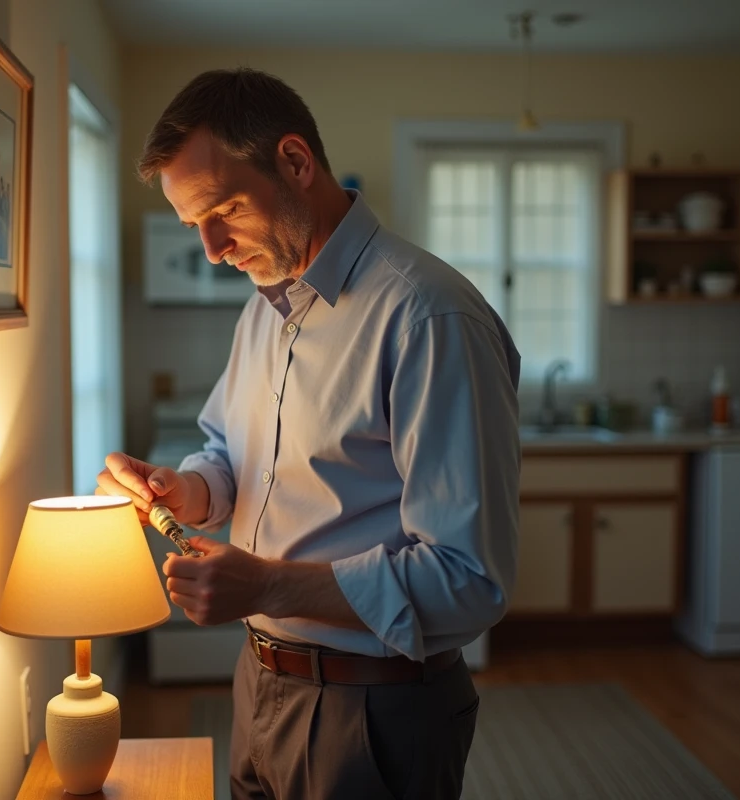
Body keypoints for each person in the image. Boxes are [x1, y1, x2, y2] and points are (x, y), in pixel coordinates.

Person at [97, 68, 520, 800]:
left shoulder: (427, 317)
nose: (211, 249)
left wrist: (264, 583)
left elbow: (468, 580)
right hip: (259, 681)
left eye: (224, 209)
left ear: (295, 162)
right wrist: (189, 489)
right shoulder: (263, 308)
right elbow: (231, 452)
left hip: (375, 706)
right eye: (191, 223)